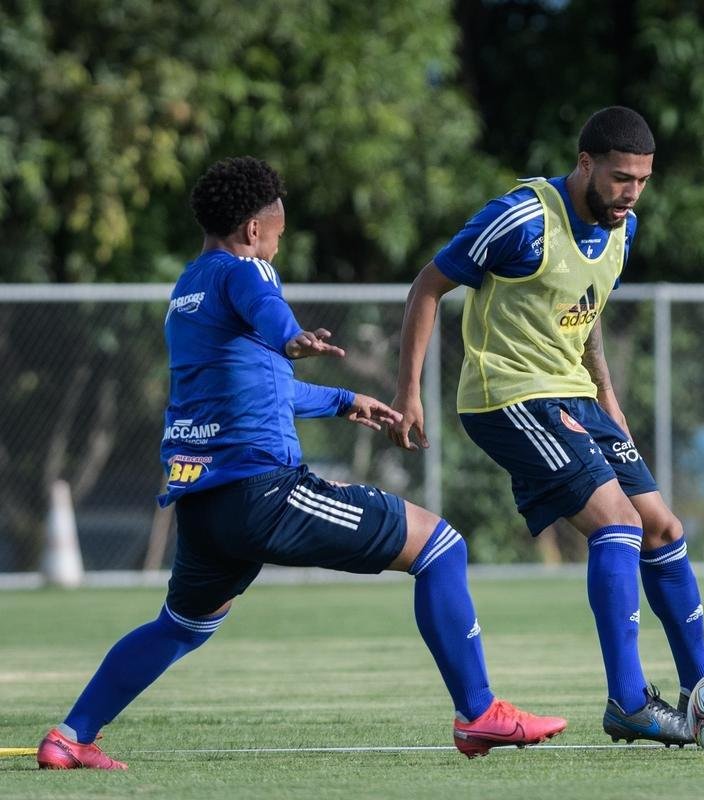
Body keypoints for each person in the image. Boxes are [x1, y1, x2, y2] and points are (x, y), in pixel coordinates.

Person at [35, 157, 566, 770]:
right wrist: (295, 339)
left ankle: (71, 735)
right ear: (256, 231)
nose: (278, 248)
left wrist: (343, 401)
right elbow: (270, 314)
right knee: (440, 546)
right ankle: (479, 714)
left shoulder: (188, 288)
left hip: (204, 501)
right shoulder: (247, 271)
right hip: (262, 493)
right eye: (279, 235)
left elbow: (257, 388)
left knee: (182, 626)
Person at [388, 106, 704, 746]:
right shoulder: (521, 218)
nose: (632, 192)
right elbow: (428, 286)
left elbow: (586, 311)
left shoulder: (622, 229)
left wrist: (606, 393)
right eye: (621, 178)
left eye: (643, 180)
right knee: (619, 523)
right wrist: (409, 392)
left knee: (663, 527)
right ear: (585, 165)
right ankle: (628, 702)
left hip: (576, 396)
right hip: (508, 396)